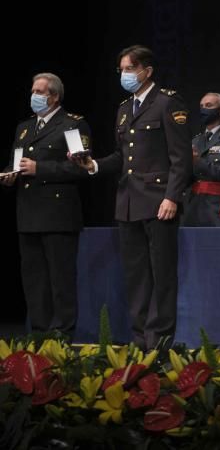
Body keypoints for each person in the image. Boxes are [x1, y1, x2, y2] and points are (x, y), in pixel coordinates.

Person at [73, 45, 192, 350]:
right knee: (137, 277)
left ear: (146, 71)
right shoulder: (125, 109)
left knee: (162, 276)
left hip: (158, 203)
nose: (125, 75)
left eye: (130, 69)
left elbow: (180, 158)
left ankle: (159, 343)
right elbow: (122, 156)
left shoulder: (167, 103)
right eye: (122, 70)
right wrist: (94, 164)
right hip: (128, 203)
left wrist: (172, 198)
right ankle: (140, 340)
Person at [2, 73, 90, 339]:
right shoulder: (24, 127)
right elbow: (16, 163)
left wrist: (40, 168)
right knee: (34, 280)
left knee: (60, 280)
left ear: (54, 96)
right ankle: (39, 334)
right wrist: (9, 175)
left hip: (58, 214)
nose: (34, 96)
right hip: (28, 214)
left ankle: (61, 335)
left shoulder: (73, 124)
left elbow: (80, 169)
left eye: (39, 91)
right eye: (33, 90)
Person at [182, 92, 220, 226]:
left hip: (218, 207)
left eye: (209, 105)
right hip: (194, 206)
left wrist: (199, 162)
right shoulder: (195, 140)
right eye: (201, 106)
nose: (204, 109)